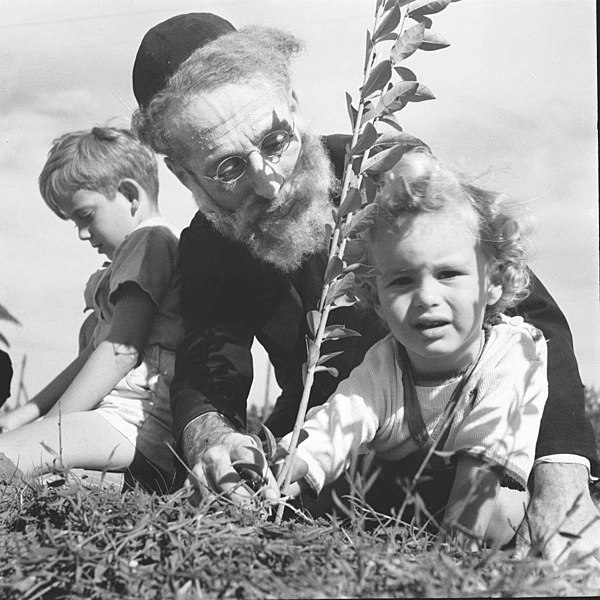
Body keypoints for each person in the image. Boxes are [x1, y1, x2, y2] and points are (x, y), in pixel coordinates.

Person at [131, 13, 600, 561]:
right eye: (228, 167)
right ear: (186, 176)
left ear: (294, 102)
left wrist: (561, 474)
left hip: (476, 428)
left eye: (275, 140)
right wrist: (214, 441)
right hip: (340, 441)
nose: (269, 180)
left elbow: (532, 317)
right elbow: (208, 366)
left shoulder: (385, 172)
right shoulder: (210, 246)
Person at [276, 148, 547, 548]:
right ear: (375, 297)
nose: (426, 297)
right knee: (336, 490)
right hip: (395, 506)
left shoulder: (514, 353)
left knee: (504, 512)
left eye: (449, 274)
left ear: (493, 281)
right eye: (401, 281)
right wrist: (283, 469)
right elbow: (337, 423)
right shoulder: (384, 364)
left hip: (478, 496)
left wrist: (449, 562)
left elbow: (480, 472)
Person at [0, 127, 183, 493]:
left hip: (137, 422)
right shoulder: (135, 255)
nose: (82, 233)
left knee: (10, 456)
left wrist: (49, 431)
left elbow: (120, 352)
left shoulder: (149, 242)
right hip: (119, 422)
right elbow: (89, 357)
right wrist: (25, 416)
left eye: (85, 215)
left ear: (130, 194)